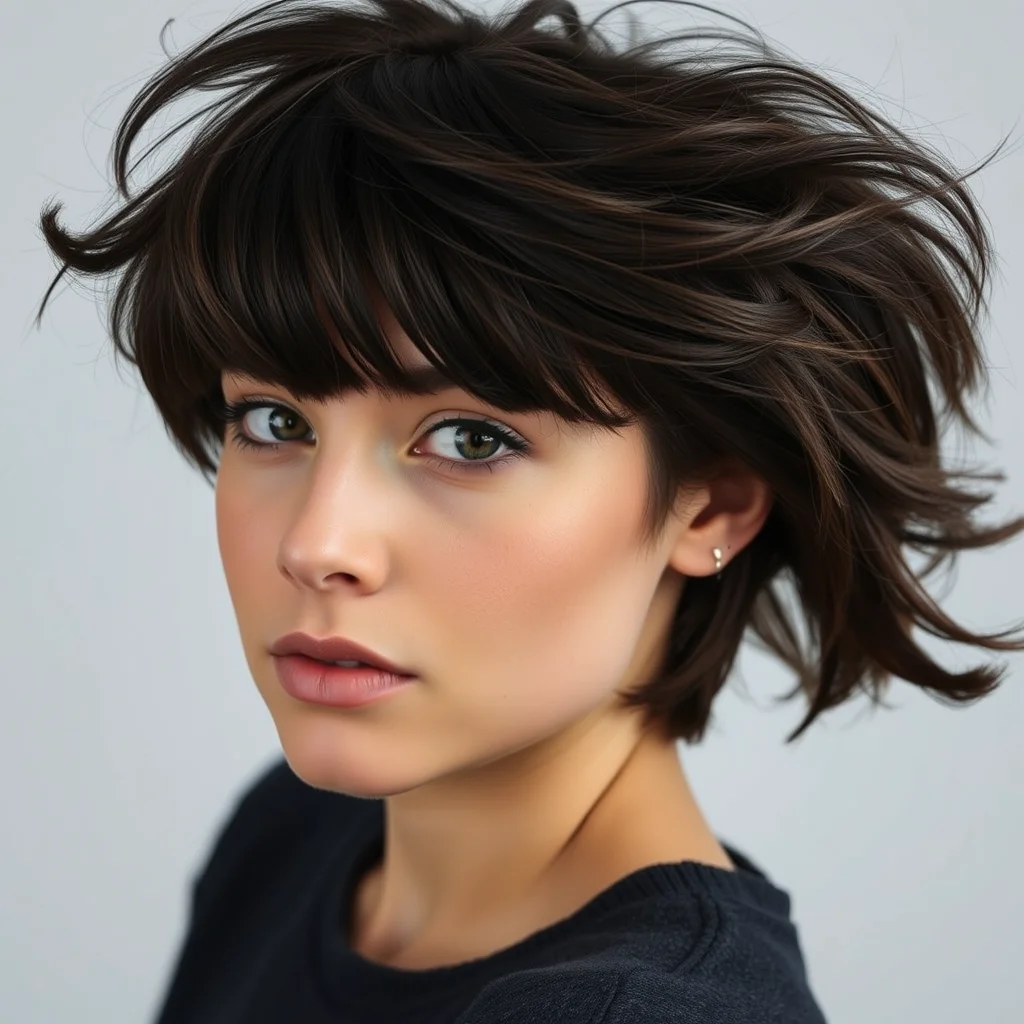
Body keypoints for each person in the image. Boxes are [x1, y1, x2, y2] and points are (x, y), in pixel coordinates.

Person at [33, 0, 1024, 1020]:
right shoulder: (294, 837)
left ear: (710, 508)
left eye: (471, 440)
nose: (317, 545)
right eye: (275, 421)